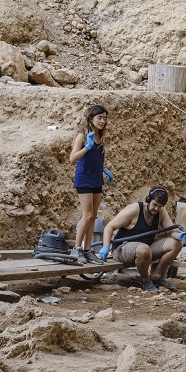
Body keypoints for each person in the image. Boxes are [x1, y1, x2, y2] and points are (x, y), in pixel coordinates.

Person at [101, 187, 186, 292]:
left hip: (146, 249)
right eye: (154, 205)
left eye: (160, 206)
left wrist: (179, 236)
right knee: (144, 249)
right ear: (148, 200)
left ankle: (157, 277)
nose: (156, 209)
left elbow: (171, 230)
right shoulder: (134, 209)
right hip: (122, 248)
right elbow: (109, 227)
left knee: (176, 244)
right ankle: (145, 280)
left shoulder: (160, 212)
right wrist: (105, 246)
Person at [70, 105, 115, 265]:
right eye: (99, 118)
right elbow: (72, 158)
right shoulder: (82, 137)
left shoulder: (101, 137)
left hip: (97, 179)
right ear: (91, 118)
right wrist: (87, 148)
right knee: (87, 215)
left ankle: (88, 250)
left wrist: (104, 169)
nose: (103, 121)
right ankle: (76, 249)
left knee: (94, 216)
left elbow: (99, 158)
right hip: (84, 179)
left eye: (104, 118)